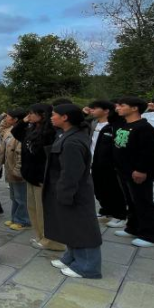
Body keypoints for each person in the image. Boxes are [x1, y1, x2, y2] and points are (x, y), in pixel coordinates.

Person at [44, 104, 104, 279]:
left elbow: (71, 172)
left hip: (73, 191)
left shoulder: (73, 141)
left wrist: (64, 193)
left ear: (65, 118)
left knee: (82, 227)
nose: (51, 117)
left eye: (54, 115)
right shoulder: (69, 135)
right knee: (70, 225)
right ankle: (71, 257)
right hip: (65, 189)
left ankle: (88, 266)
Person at [11, 104, 65, 251]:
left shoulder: (52, 132)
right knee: (33, 209)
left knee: (44, 211)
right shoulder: (32, 129)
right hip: (30, 175)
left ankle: (52, 241)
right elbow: (16, 132)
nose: (30, 116)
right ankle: (41, 236)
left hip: (42, 177)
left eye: (33, 113)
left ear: (43, 115)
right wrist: (24, 121)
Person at [112, 97, 154, 247]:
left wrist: (141, 170)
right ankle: (133, 227)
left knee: (143, 201)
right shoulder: (124, 125)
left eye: (122, 105)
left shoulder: (144, 128)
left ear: (134, 108)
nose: (118, 108)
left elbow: (148, 152)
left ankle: (151, 235)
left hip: (137, 172)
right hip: (123, 171)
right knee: (131, 201)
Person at [85, 100, 128, 228]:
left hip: (109, 163)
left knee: (113, 189)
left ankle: (120, 215)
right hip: (94, 160)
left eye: (95, 108)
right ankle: (106, 211)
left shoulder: (116, 125)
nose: (91, 110)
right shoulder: (93, 123)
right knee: (99, 188)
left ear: (106, 110)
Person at [1, 108, 30, 231]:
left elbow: (21, 154)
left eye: (8, 116)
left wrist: (18, 170)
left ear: (16, 119)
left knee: (21, 197)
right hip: (9, 167)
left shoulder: (22, 132)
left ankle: (23, 220)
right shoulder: (9, 130)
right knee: (14, 196)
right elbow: (1, 127)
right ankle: (15, 218)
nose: (5, 119)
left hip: (17, 169)